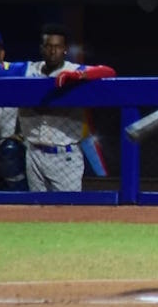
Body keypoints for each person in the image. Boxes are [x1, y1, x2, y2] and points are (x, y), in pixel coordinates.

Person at [14, 24, 116, 192]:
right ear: (41, 48)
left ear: (65, 49)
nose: (53, 51)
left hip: (64, 156)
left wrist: (77, 76)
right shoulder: (28, 69)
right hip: (33, 153)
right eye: (48, 46)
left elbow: (108, 72)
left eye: (58, 47)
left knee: (69, 209)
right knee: (37, 210)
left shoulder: (74, 70)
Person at [0, 29, 26, 191]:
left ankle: (19, 199)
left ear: (2, 54)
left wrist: (21, 134)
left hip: (11, 144)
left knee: (10, 151)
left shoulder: (15, 75)